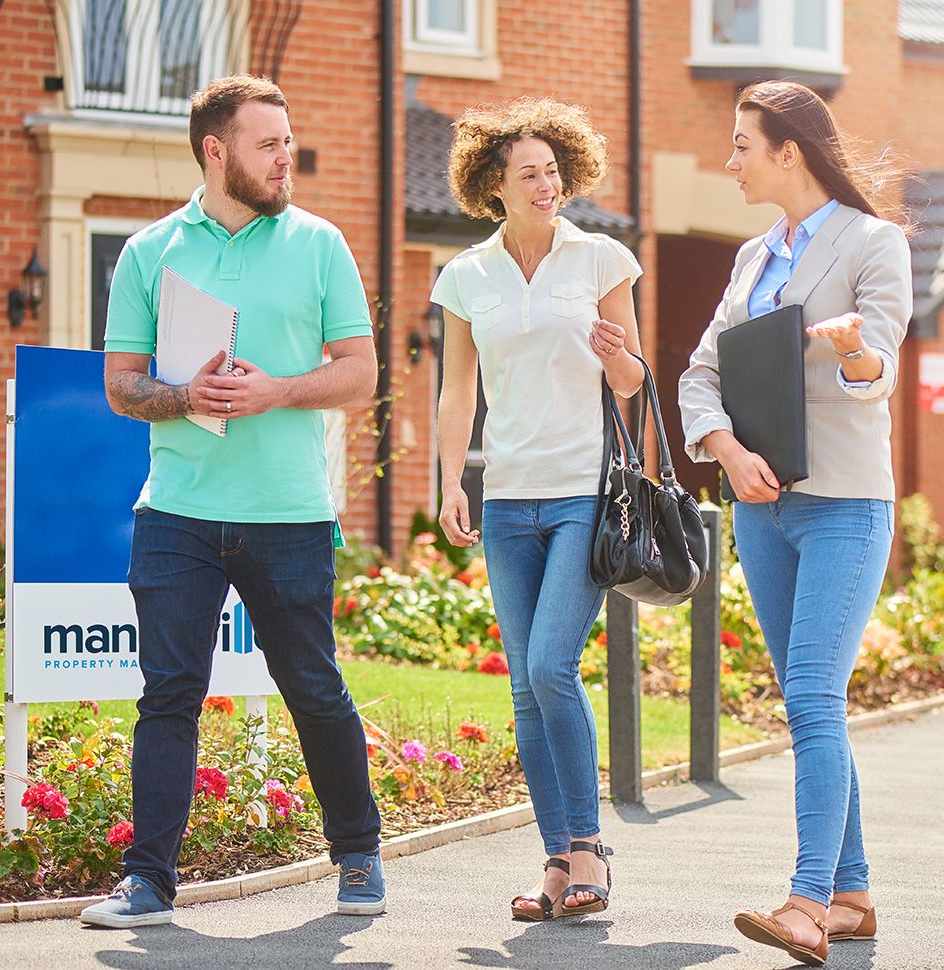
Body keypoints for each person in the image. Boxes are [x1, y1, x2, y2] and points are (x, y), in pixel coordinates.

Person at [79, 74, 385, 928]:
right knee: (168, 693)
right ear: (216, 151)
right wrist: (184, 398)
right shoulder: (149, 253)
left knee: (313, 688)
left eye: (287, 142)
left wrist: (277, 390)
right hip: (176, 509)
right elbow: (120, 386)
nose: (286, 157)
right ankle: (148, 883)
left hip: (287, 512)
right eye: (267, 144)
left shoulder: (320, 244)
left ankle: (358, 855)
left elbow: (361, 373)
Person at [679, 80, 911, 966]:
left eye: (743, 145)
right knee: (807, 701)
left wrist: (853, 347)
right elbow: (702, 373)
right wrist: (728, 453)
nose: (729, 161)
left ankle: (807, 901)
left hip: (845, 503)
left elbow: (880, 366)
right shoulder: (749, 259)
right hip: (763, 509)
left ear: (790, 151)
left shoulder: (871, 242)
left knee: (813, 695)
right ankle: (851, 893)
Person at [432, 97, 645, 920]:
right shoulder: (465, 276)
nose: (547, 185)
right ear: (496, 185)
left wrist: (616, 356)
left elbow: (631, 383)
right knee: (524, 687)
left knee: (553, 664)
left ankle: (590, 847)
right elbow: (458, 388)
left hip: (582, 493)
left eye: (553, 171)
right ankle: (557, 861)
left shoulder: (600, 260)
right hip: (509, 497)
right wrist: (453, 480)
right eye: (529, 175)